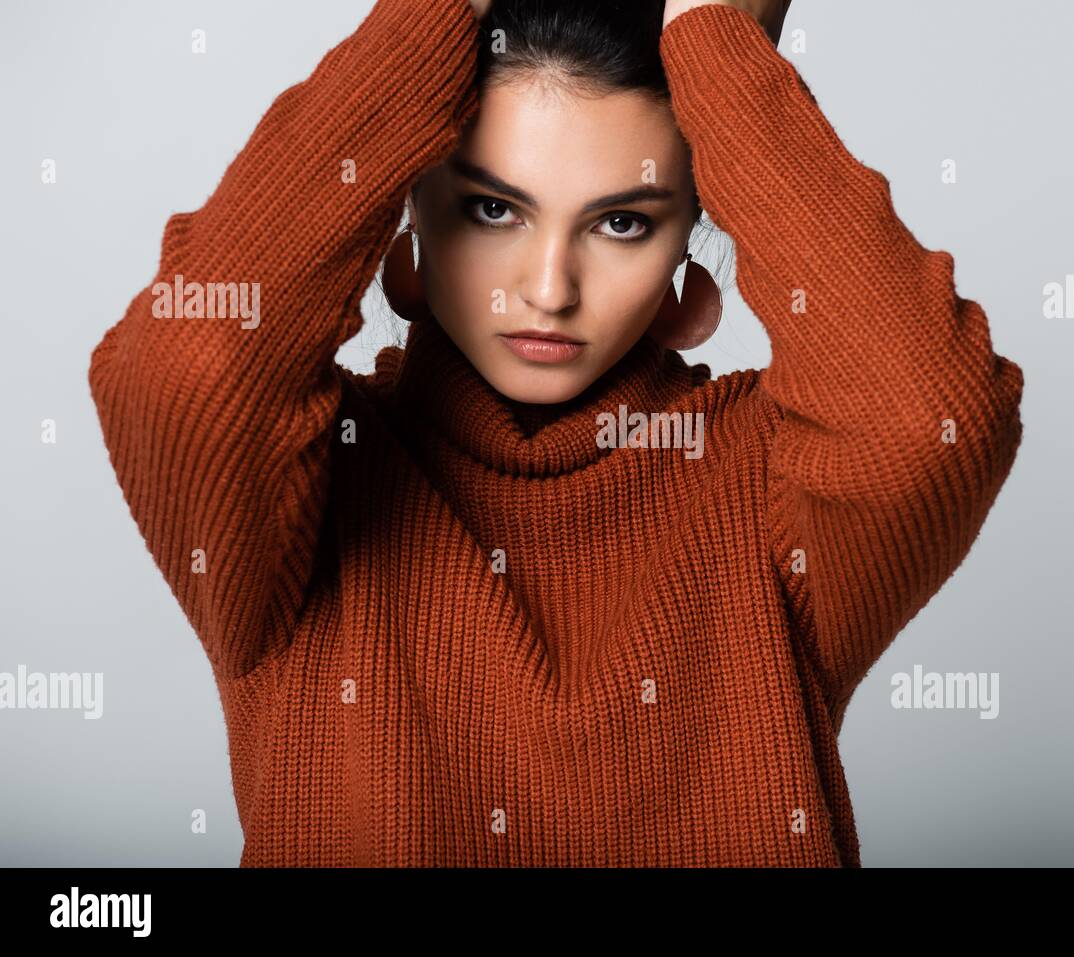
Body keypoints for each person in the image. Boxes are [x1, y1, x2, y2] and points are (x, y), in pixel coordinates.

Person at [88, 0, 1025, 867]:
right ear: (405, 217)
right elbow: (189, 367)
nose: (548, 287)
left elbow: (928, 420)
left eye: (622, 222)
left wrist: (714, 38)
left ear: (689, 248)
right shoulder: (304, 494)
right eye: (493, 208)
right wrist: (432, 16)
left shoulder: (769, 494)